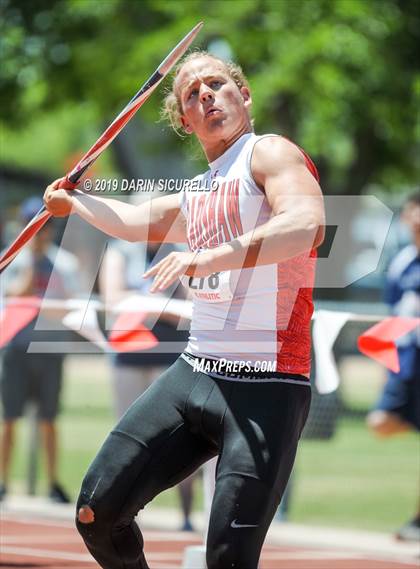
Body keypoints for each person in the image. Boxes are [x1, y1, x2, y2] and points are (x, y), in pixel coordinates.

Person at [43, 51, 325, 569]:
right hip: (196, 373)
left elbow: (305, 224)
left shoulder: (269, 154)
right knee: (96, 512)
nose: (206, 96)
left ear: (245, 95)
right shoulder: (198, 193)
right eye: (192, 95)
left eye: (216, 84)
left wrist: (209, 256)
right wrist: (74, 203)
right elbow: (133, 219)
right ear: (183, 120)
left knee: (226, 558)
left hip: (268, 386)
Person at [99, 238, 195, 531]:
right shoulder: (121, 250)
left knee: (181, 434)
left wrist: (146, 305)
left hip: (171, 353)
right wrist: (163, 307)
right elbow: (113, 298)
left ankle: (187, 514)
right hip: (129, 352)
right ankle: (119, 511)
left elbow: (193, 303)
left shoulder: (182, 252)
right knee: (126, 435)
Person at [0, 197, 80, 503]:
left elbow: (73, 305)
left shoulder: (65, 263)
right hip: (16, 349)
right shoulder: (12, 260)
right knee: (9, 417)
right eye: (33, 226)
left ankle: (52, 483)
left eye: (44, 227)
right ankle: (4, 480)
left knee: (49, 418)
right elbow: (12, 296)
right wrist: (31, 266)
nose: (39, 234)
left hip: (49, 349)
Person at [367, 192, 420, 543]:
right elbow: (393, 311)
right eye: (413, 210)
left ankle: (417, 520)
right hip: (405, 357)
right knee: (379, 422)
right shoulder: (402, 260)